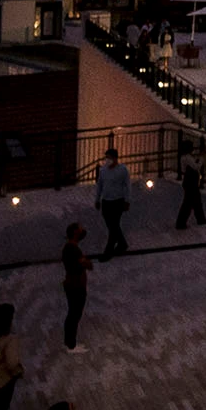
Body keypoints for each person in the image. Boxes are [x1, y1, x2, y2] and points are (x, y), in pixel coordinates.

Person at [93, 148, 131, 260]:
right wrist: (97, 199)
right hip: (106, 201)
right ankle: (122, 243)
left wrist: (127, 200)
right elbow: (99, 185)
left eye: (109, 157)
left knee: (113, 226)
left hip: (117, 201)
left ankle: (108, 252)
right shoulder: (103, 170)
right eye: (106, 158)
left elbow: (127, 186)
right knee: (112, 226)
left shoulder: (122, 170)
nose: (107, 160)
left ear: (115, 158)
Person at [62, 223, 93, 354]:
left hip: (73, 285)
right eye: (80, 228)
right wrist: (86, 262)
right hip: (76, 286)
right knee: (74, 314)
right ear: (75, 232)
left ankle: (70, 342)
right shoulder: (73, 248)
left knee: (73, 314)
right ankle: (71, 344)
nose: (83, 230)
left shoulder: (71, 248)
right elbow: (87, 264)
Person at [175, 139, 206, 229]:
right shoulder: (187, 157)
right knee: (188, 203)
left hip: (189, 182)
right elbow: (196, 166)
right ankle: (181, 223)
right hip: (191, 182)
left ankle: (200, 219)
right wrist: (202, 158)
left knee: (196, 201)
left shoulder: (185, 157)